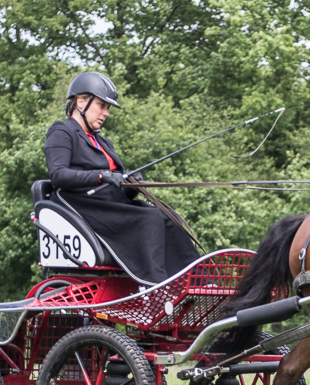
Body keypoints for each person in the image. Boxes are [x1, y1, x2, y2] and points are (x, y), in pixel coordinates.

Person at [43, 72, 200, 285]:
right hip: (85, 208)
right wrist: (101, 175)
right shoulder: (62, 131)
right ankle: (154, 288)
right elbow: (58, 175)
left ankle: (196, 282)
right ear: (81, 102)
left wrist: (131, 184)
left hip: (112, 206)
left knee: (168, 216)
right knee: (150, 219)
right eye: (101, 105)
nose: (106, 113)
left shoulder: (104, 142)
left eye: (107, 108)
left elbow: (116, 188)